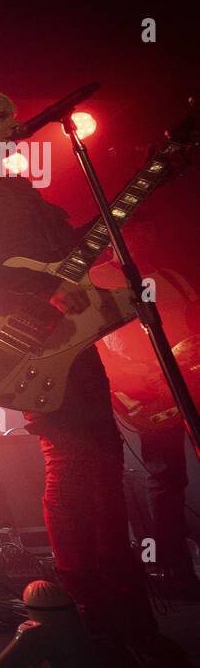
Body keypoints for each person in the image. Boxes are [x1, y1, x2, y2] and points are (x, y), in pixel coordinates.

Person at [0, 90, 187, 668]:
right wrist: (37, 289)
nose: (15, 124)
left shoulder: (21, 192)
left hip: (70, 337)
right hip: (21, 335)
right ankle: (92, 616)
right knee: (72, 462)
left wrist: (147, 182)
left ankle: (125, 615)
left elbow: (74, 252)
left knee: (102, 461)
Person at [94, 219, 200, 598]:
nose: (143, 236)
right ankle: (175, 570)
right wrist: (130, 373)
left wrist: (191, 347)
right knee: (166, 478)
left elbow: (193, 320)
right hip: (144, 388)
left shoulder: (171, 276)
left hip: (188, 378)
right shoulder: (97, 278)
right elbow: (94, 340)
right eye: (134, 230)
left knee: (171, 479)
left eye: (148, 229)